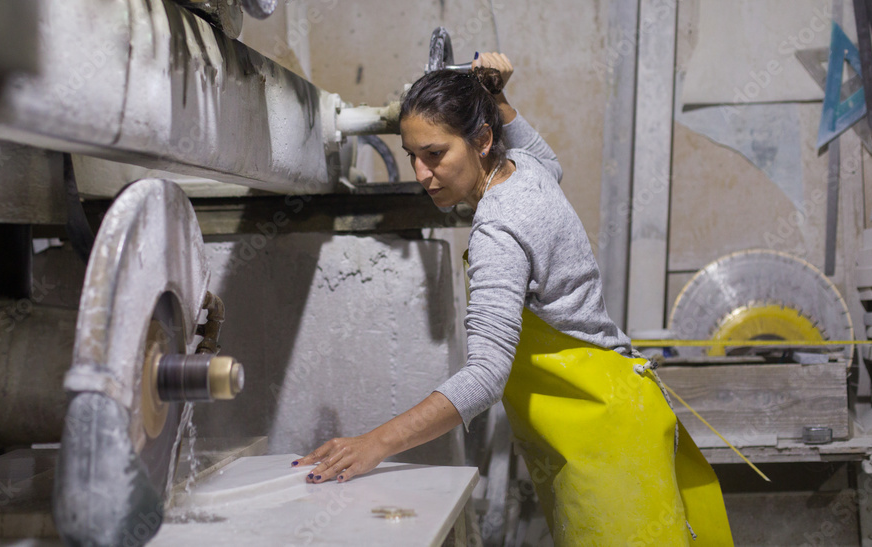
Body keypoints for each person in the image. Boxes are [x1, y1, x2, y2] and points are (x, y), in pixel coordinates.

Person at [292, 53, 733, 545]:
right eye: (412, 154)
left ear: (482, 140)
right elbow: (551, 160)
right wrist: (496, 94)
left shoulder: (498, 230)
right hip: (621, 406)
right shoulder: (525, 169)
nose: (420, 173)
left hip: (603, 440)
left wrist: (375, 443)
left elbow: (485, 376)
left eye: (435, 154)